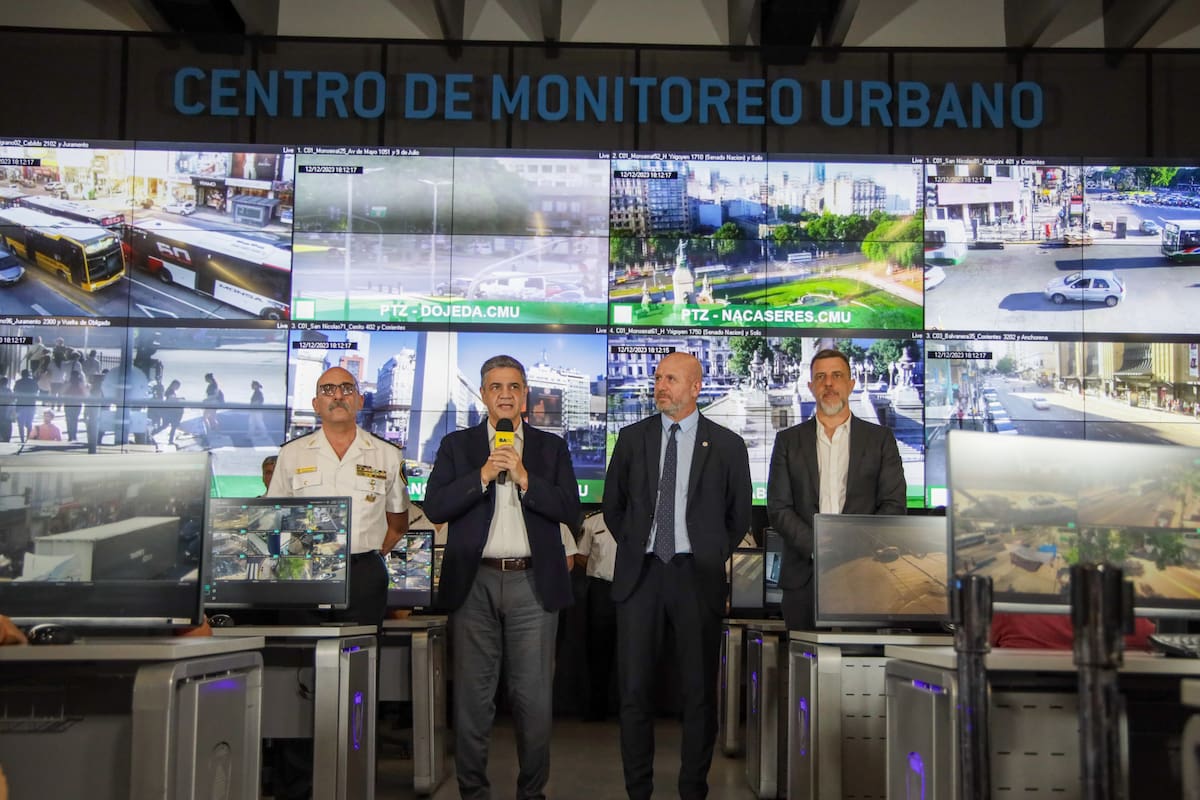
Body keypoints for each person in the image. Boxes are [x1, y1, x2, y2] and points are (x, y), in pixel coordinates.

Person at [424, 354, 580, 800]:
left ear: (525, 394)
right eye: (496, 387)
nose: (506, 395)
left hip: (533, 584)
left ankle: (532, 793)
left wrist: (527, 478)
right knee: (473, 700)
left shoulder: (552, 449)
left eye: (514, 386)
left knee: (534, 701)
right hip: (475, 582)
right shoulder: (458, 446)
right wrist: (484, 474)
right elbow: (435, 506)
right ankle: (473, 792)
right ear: (484, 395)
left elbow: (571, 511)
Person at [602, 351, 752, 800]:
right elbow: (614, 507)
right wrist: (635, 543)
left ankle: (692, 789)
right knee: (633, 692)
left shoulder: (726, 444)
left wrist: (707, 552)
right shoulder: (631, 439)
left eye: (670, 378)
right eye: (658, 378)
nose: (660, 385)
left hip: (695, 577)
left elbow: (738, 515)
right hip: (640, 577)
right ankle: (638, 790)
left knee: (698, 694)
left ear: (694, 387)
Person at [766, 348, 907, 631]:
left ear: (851, 383)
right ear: (810, 386)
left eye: (837, 376)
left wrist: (850, 546)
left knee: (861, 668)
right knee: (806, 667)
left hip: (865, 571)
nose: (828, 383)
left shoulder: (880, 439)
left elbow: (893, 505)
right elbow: (779, 508)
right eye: (820, 377)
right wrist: (818, 546)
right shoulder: (788, 441)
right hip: (804, 579)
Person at [267, 366, 408, 627]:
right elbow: (274, 517)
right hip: (302, 569)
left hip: (363, 573)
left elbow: (398, 523)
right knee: (300, 655)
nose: (338, 396)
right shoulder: (292, 453)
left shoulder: (387, 454)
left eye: (347, 388)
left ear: (360, 401)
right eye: (328, 390)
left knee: (359, 653)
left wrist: (364, 555)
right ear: (316, 404)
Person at [577, 511, 618, 722]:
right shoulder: (592, 521)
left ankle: (624, 708)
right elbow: (581, 555)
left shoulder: (636, 516)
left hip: (629, 588)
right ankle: (597, 707)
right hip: (600, 589)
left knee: (628, 651)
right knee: (598, 649)